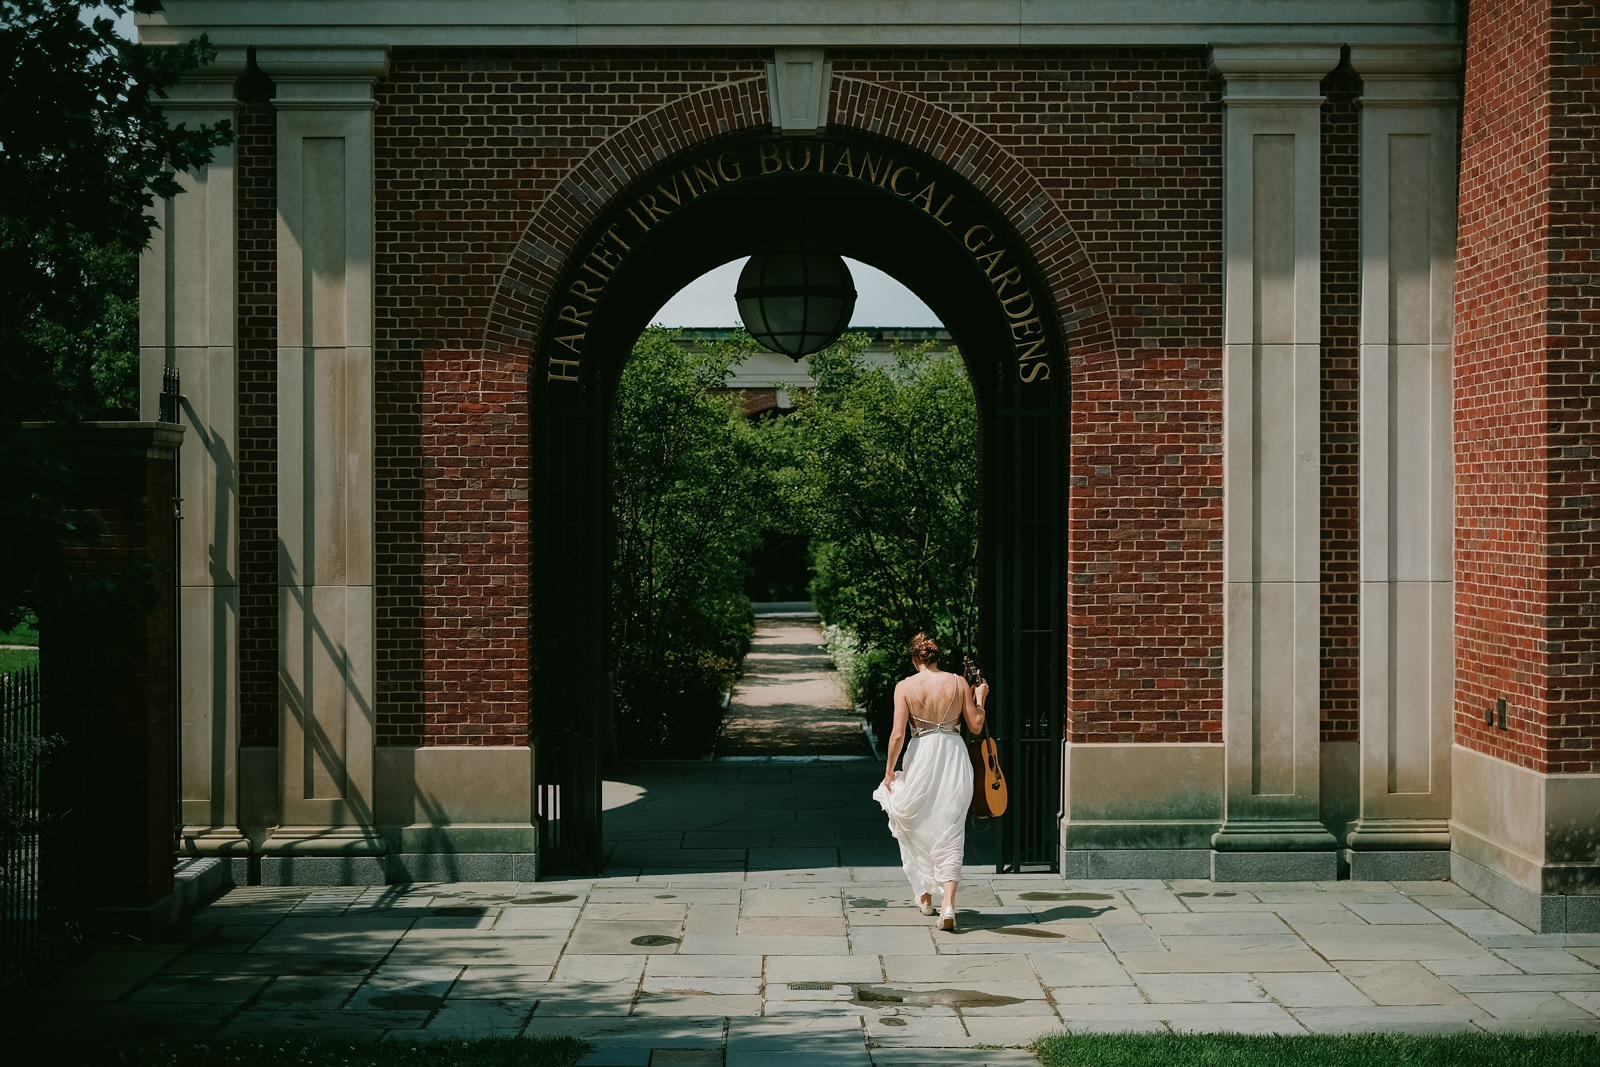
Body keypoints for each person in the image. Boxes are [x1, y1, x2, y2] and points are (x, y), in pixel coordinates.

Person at [871, 631, 987, 931]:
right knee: (951, 828)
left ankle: (924, 895)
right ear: (937, 657)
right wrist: (980, 698)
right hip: (954, 755)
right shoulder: (958, 682)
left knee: (916, 821)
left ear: (914, 658)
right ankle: (948, 904)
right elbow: (975, 725)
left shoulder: (905, 686)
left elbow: (897, 734)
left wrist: (889, 769)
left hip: (921, 754)